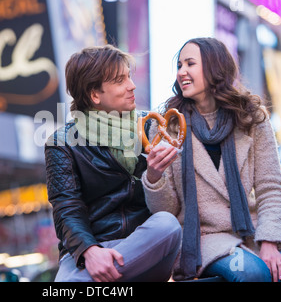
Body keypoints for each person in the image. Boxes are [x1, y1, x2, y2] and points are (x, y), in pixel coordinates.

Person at [142, 37, 281, 282]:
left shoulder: (251, 119)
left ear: (215, 68)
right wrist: (154, 176)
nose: (181, 72)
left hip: (252, 233)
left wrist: (270, 241)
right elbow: (167, 212)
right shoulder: (168, 127)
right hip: (201, 238)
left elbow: (271, 187)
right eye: (179, 65)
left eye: (190, 64)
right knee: (251, 272)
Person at [45, 44, 182, 282]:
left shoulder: (151, 127)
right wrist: (90, 251)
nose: (132, 85)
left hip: (144, 246)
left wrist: (154, 176)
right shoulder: (61, 142)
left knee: (167, 224)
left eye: (129, 76)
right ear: (95, 95)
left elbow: (169, 209)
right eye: (120, 80)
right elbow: (67, 208)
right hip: (89, 250)